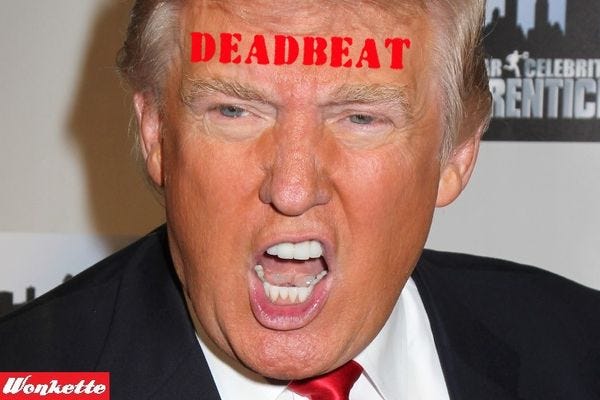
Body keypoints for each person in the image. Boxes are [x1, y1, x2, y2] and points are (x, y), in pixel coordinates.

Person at [1, 0, 599, 399]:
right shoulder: (24, 371)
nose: (291, 190)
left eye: (360, 118)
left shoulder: (580, 351)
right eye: (234, 110)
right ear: (156, 134)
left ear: (457, 154)